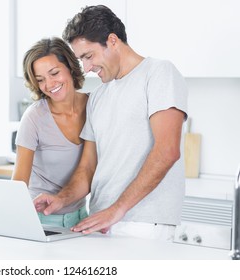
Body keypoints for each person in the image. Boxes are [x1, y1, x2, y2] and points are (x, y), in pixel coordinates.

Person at [34, 5, 188, 241]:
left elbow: (167, 151)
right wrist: (61, 199)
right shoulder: (98, 96)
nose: (86, 68)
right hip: (100, 222)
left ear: (112, 41)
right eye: (81, 59)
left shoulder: (158, 73)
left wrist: (117, 209)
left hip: (144, 225)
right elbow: (87, 168)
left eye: (88, 56)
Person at [12, 37, 89, 228]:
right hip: (40, 220)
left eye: (54, 73)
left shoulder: (94, 106)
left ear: (70, 67)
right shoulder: (34, 118)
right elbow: (18, 183)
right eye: (40, 80)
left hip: (81, 218)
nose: (49, 84)